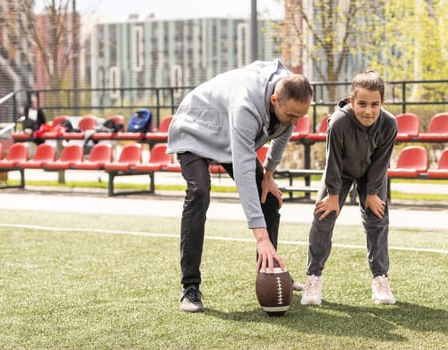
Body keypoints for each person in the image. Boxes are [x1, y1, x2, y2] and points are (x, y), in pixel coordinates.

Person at [166, 60, 313, 312]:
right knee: (199, 192)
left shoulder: (292, 91)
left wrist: (269, 173)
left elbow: (284, 128)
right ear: (275, 100)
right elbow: (244, 167)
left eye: (300, 116)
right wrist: (261, 236)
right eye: (291, 115)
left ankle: (271, 272)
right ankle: (190, 288)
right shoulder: (247, 104)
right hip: (194, 127)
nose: (295, 122)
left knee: (268, 199)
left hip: (228, 130)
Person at [300, 70, 398, 306]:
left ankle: (380, 278)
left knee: (378, 219)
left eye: (375, 104)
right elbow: (332, 160)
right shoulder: (339, 122)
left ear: (382, 103)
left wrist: (372, 193)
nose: (368, 110)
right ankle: (313, 278)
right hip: (339, 173)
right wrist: (333, 196)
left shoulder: (389, 124)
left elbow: (381, 162)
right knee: (323, 218)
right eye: (362, 103)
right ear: (352, 100)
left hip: (371, 175)